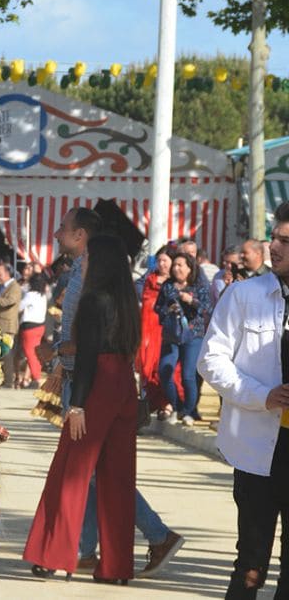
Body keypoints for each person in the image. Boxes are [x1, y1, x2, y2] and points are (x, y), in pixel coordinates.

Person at [24, 235, 140, 583]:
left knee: (70, 473)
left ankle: (52, 554)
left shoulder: (94, 300)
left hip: (98, 384)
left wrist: (77, 406)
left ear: (100, 262)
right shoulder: (125, 300)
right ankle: (117, 567)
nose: (82, 263)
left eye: (87, 257)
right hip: (123, 383)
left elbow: (88, 355)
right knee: (118, 479)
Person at [199, 201, 289, 599]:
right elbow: (210, 360)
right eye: (274, 237)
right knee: (250, 563)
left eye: (285, 240)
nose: (275, 246)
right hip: (259, 448)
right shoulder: (244, 295)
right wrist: (262, 396)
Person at [155, 251, 214, 426]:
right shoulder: (168, 285)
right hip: (172, 335)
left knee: (188, 376)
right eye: (175, 265)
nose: (176, 268)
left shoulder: (199, 285)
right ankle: (176, 406)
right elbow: (158, 308)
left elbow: (207, 309)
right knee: (165, 371)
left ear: (190, 268)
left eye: (180, 265)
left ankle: (188, 411)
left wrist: (191, 301)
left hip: (193, 335)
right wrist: (168, 309)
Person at [137, 245, 176, 419]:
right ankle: (152, 402)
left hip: (166, 331)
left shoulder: (176, 283)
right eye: (159, 260)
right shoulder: (149, 280)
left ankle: (166, 404)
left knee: (163, 368)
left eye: (165, 260)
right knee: (147, 368)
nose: (161, 264)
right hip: (147, 330)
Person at [0, 260, 22, 388]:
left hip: (8, 326)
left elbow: (10, 301)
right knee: (1, 354)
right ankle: (2, 380)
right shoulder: (2, 286)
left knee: (7, 355)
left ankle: (9, 381)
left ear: (7, 273)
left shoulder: (14, 286)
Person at [18, 273, 49, 388]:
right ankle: (35, 377)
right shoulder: (43, 296)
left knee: (30, 353)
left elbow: (19, 307)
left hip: (29, 327)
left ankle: (36, 378)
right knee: (36, 353)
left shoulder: (30, 295)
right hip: (40, 326)